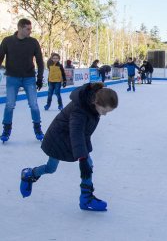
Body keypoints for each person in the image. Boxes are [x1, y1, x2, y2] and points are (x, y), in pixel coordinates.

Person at [19, 82, 118, 211]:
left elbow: (85, 132)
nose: (105, 114)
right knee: (51, 168)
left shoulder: (92, 106)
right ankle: (29, 174)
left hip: (69, 138)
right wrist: (82, 158)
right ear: (96, 102)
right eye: (105, 111)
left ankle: (86, 199)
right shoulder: (80, 111)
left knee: (88, 164)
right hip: (58, 140)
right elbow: (76, 133)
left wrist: (85, 155)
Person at [0, 18, 45, 142]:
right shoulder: (7, 41)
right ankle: (6, 129)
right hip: (12, 78)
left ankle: (38, 128)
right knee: (9, 105)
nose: (30, 31)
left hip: (29, 78)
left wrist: (40, 78)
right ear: (20, 28)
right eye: (28, 29)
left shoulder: (33, 42)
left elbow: (40, 62)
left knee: (34, 105)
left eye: (31, 29)